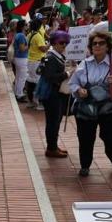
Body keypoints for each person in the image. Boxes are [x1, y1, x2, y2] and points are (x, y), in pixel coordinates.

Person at [70, 29, 112, 177]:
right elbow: (73, 83)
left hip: (110, 108)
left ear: (108, 46)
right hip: (86, 108)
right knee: (85, 138)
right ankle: (85, 165)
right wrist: (78, 90)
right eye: (94, 43)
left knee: (110, 137)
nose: (97, 46)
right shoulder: (84, 63)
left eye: (101, 43)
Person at [38, 29, 72, 158]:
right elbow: (50, 76)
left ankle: (53, 145)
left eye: (66, 43)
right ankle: (51, 148)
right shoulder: (51, 57)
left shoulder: (56, 56)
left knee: (55, 121)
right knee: (53, 122)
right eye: (61, 43)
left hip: (56, 94)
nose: (64, 45)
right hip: (52, 95)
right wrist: (67, 73)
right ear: (54, 43)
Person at [25, 18, 48, 107]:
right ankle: (38, 102)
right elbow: (43, 48)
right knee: (39, 82)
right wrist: (49, 44)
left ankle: (31, 101)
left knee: (30, 81)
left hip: (30, 60)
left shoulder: (29, 34)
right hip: (37, 61)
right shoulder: (38, 36)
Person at [11, 20, 29, 101]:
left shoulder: (17, 35)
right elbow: (22, 48)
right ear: (23, 26)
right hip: (21, 58)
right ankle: (19, 94)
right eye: (26, 24)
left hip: (17, 58)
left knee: (18, 77)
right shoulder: (21, 35)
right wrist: (29, 45)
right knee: (22, 77)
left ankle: (17, 92)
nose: (27, 26)